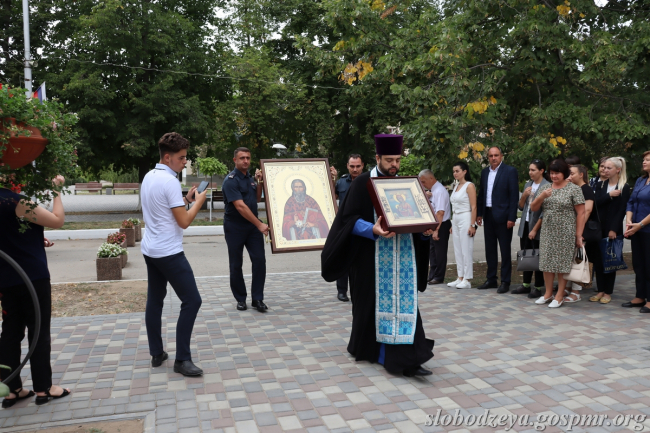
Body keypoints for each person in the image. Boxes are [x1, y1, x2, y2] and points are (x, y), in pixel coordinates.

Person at [321, 134, 435, 377]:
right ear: (377, 158)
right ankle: (374, 351)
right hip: (369, 259)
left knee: (405, 304)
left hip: (402, 258)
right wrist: (371, 229)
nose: (394, 165)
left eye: (397, 160)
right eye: (389, 160)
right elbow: (347, 220)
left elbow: (415, 220)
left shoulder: (407, 184)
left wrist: (425, 232)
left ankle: (408, 357)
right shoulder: (362, 183)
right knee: (370, 306)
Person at [0, 174, 71, 407]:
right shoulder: (16, 202)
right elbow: (57, 220)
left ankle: (11, 389)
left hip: (6, 277)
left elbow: (8, 232)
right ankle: (44, 388)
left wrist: (33, 238)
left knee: (10, 332)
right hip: (32, 277)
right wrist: (56, 190)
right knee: (38, 329)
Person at [141, 132, 208, 377]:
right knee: (192, 300)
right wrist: (198, 201)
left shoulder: (150, 176)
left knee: (155, 300)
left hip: (151, 249)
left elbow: (165, 208)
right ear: (167, 157)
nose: (185, 162)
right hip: (168, 252)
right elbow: (184, 222)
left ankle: (156, 353)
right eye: (181, 158)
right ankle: (182, 359)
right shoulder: (169, 181)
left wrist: (186, 199)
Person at [530, 159, 585, 308]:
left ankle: (559, 295)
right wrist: (541, 196)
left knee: (562, 264)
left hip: (566, 231)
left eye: (557, 173)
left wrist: (578, 235)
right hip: (548, 230)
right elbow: (533, 208)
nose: (554, 176)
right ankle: (548, 294)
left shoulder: (573, 189)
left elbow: (581, 213)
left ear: (564, 173)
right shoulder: (545, 188)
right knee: (546, 263)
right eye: (552, 173)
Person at [222, 147, 269, 312]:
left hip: (252, 227)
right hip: (235, 227)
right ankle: (241, 299)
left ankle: (257, 298)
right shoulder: (230, 180)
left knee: (259, 261)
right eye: (242, 158)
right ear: (235, 160)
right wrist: (260, 224)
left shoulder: (250, 179)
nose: (246, 161)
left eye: (248, 158)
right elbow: (240, 206)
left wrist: (259, 182)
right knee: (236, 263)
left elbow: (256, 199)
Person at [476, 147, 519, 293]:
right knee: (490, 249)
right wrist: (479, 214)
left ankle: (505, 281)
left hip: (504, 217)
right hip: (488, 215)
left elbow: (514, 196)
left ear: (501, 156)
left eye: (496, 155)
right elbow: (482, 193)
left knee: (505, 251)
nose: (493, 158)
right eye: (491, 156)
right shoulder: (485, 172)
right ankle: (491, 279)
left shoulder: (510, 171)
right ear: (488, 157)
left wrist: (511, 217)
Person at [591, 156, 630, 304]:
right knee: (598, 260)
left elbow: (621, 210)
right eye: (604, 167)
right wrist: (609, 196)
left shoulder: (624, 187)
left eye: (609, 168)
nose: (605, 170)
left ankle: (608, 292)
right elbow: (595, 204)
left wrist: (613, 229)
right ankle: (600, 290)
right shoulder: (601, 185)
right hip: (598, 228)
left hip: (612, 228)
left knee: (610, 260)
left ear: (618, 170)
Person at [512, 160, 550, 298]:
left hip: (538, 226)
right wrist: (524, 196)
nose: (530, 172)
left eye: (533, 170)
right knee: (526, 254)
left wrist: (534, 229)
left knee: (538, 255)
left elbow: (545, 211)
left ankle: (538, 286)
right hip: (525, 224)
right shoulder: (528, 184)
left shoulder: (547, 186)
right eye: (529, 170)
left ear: (541, 171)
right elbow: (521, 207)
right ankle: (526, 284)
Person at [566, 164, 600, 303]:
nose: (569, 176)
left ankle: (576, 291)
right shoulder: (573, 188)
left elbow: (587, 210)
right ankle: (568, 287)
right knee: (571, 258)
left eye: (572, 173)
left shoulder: (586, 189)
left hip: (582, 231)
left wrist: (578, 230)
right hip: (573, 229)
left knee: (578, 259)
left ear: (581, 175)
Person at [333, 155, 364, 302]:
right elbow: (331, 197)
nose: (355, 169)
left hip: (362, 226)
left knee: (361, 260)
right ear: (347, 166)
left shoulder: (368, 181)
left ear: (362, 166)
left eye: (358, 166)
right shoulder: (341, 182)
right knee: (342, 258)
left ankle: (359, 290)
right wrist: (331, 179)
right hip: (344, 226)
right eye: (352, 166)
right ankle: (341, 291)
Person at [623, 150, 650, 313]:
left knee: (649, 264)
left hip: (647, 229)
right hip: (636, 228)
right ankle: (640, 296)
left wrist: (640, 224)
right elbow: (631, 202)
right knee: (638, 263)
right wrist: (629, 221)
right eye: (644, 159)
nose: (644, 162)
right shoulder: (641, 180)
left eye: (648, 160)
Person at [418, 169, 452, 285]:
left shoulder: (439, 191)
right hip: (434, 224)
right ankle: (432, 275)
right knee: (432, 252)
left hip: (441, 225)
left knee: (439, 252)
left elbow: (440, 213)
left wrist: (436, 230)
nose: (423, 184)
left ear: (431, 178)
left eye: (423, 182)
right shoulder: (433, 190)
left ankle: (439, 276)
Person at [447, 162, 477, 289]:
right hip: (456, 218)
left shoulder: (469, 186)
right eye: (454, 171)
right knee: (458, 249)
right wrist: (453, 224)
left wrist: (472, 224)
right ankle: (460, 276)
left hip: (466, 217)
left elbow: (474, 206)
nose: (455, 173)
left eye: (457, 171)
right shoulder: (456, 186)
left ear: (464, 171)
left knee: (466, 249)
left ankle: (467, 279)